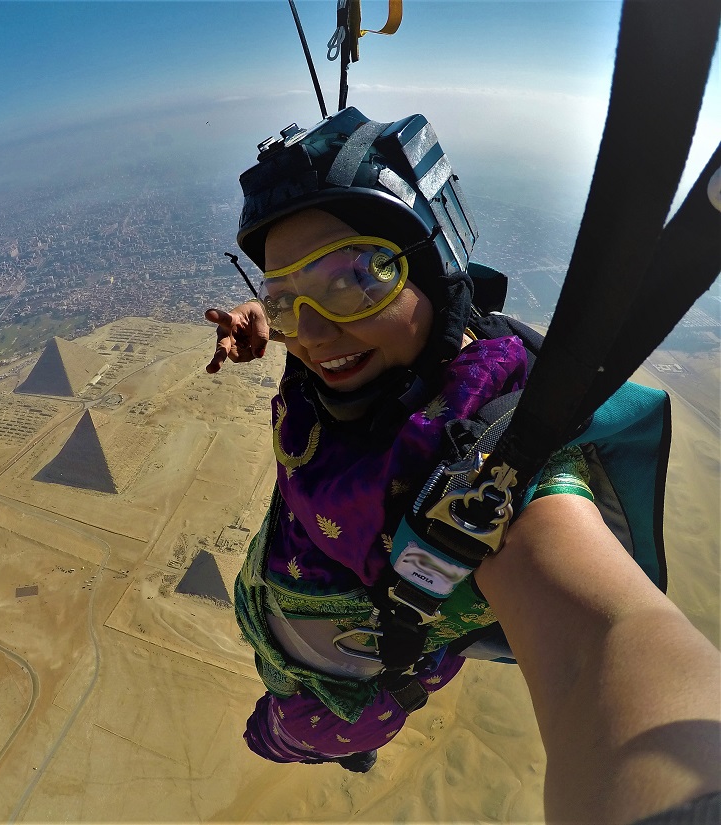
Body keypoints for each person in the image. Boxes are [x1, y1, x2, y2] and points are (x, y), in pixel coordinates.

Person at [204, 107, 719, 820]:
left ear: (433, 268)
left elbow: (604, 639)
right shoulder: (347, 362)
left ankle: (334, 742)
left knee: (275, 735)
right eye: (286, 296)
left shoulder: (494, 461)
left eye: (356, 277)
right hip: (282, 623)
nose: (314, 333)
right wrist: (267, 319)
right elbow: (309, 317)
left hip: (341, 697)